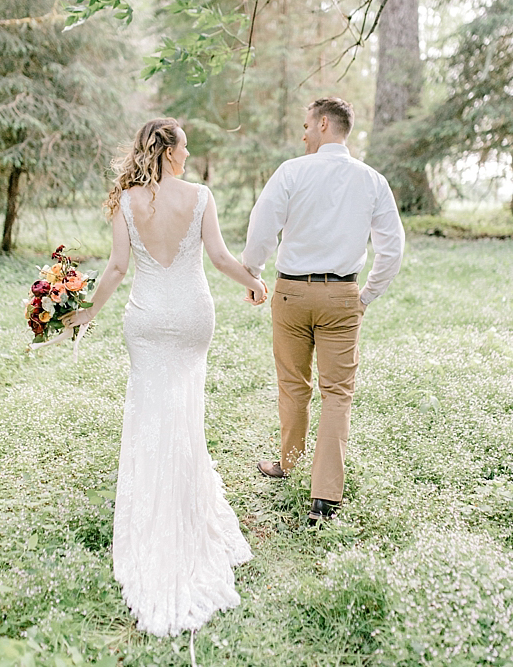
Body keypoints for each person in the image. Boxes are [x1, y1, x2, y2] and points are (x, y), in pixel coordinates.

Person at [64, 118, 267, 638]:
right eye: (186, 145)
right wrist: (254, 281)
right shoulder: (200, 196)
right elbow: (221, 257)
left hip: (148, 319)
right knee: (185, 413)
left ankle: (156, 513)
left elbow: (114, 269)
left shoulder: (126, 201)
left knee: (152, 412)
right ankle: (185, 507)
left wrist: (87, 312)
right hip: (193, 317)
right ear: (172, 152)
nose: (189, 151)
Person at [242, 97, 404, 526]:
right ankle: (325, 497)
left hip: (290, 294)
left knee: (292, 385)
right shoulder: (372, 180)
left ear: (325, 124)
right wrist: (366, 296)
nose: (303, 133)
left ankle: (288, 464)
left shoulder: (292, 171)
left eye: (307, 125)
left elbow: (262, 226)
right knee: (337, 394)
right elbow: (393, 247)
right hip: (342, 298)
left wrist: (253, 276)